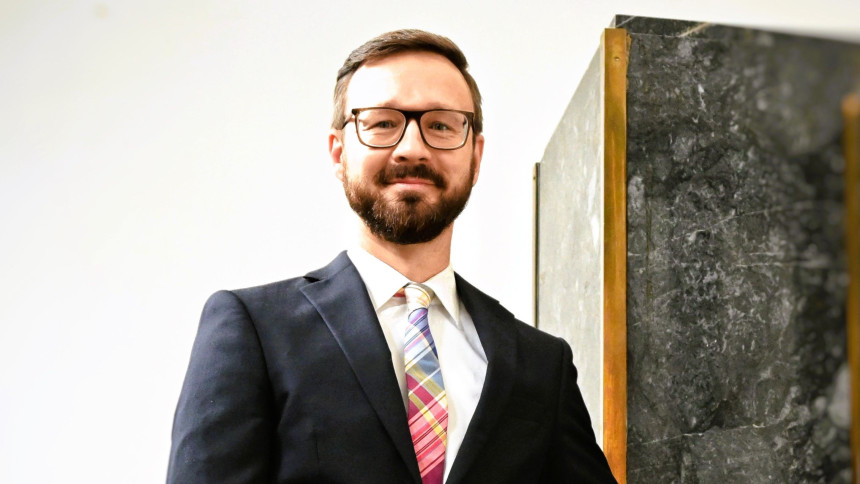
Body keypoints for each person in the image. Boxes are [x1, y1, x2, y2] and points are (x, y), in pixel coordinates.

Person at [167, 29, 616, 484]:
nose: (412, 148)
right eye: (382, 123)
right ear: (339, 153)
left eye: (441, 125)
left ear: (476, 157)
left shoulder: (543, 364)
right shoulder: (255, 329)